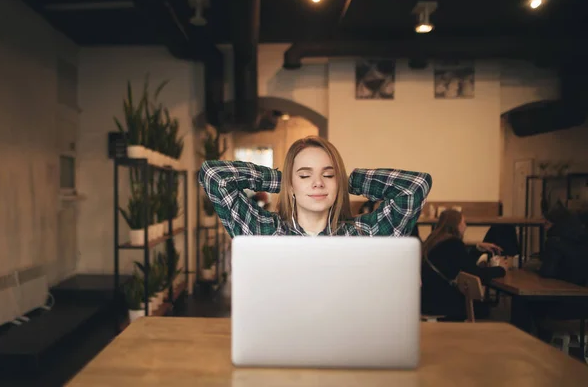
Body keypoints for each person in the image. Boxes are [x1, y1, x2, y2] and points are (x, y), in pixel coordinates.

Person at [198, 135, 432, 237]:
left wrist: (345, 180)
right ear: (291, 185)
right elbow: (214, 175)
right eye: (304, 176)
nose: (318, 183)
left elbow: (414, 186)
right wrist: (283, 180)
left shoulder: (364, 234)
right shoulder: (261, 230)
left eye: (328, 175)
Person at [421, 209, 506, 321]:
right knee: (487, 310)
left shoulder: (434, 240)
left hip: (426, 300)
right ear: (457, 225)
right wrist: (500, 269)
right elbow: (476, 274)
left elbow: (463, 263)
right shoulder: (453, 244)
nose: (465, 226)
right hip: (441, 304)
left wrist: (477, 249)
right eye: (464, 222)